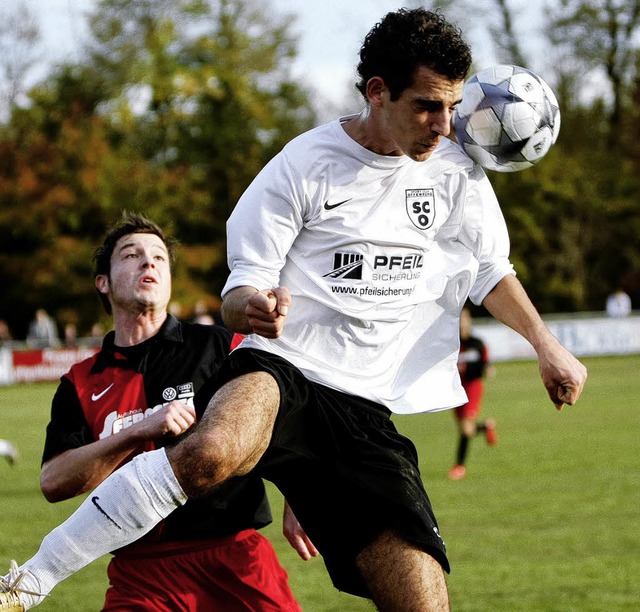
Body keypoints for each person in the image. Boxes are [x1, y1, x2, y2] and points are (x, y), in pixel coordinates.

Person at [2, 9, 587, 612]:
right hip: (284, 371)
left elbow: (491, 270)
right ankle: (28, 583)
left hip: (365, 410)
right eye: (427, 106)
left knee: (421, 600)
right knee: (209, 452)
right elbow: (236, 295)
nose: (446, 125)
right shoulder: (302, 165)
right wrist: (256, 306)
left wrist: (547, 346)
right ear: (378, 92)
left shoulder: (458, 173)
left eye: (453, 106)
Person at [10, 213, 301, 611]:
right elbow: (54, 481)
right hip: (140, 574)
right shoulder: (80, 381)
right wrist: (134, 432)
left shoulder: (220, 346)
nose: (149, 263)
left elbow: (281, 419)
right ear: (103, 282)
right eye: (131, 255)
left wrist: (300, 499)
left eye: (159, 258)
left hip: (235, 558)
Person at [448, 307, 496, 480]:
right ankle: (485, 427)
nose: (461, 323)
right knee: (464, 428)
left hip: (472, 387)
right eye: (459, 319)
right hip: (455, 387)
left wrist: (488, 369)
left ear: (469, 321)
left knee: (466, 428)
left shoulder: (477, 343)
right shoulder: (451, 343)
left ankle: (459, 466)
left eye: (464, 319)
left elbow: (486, 363)